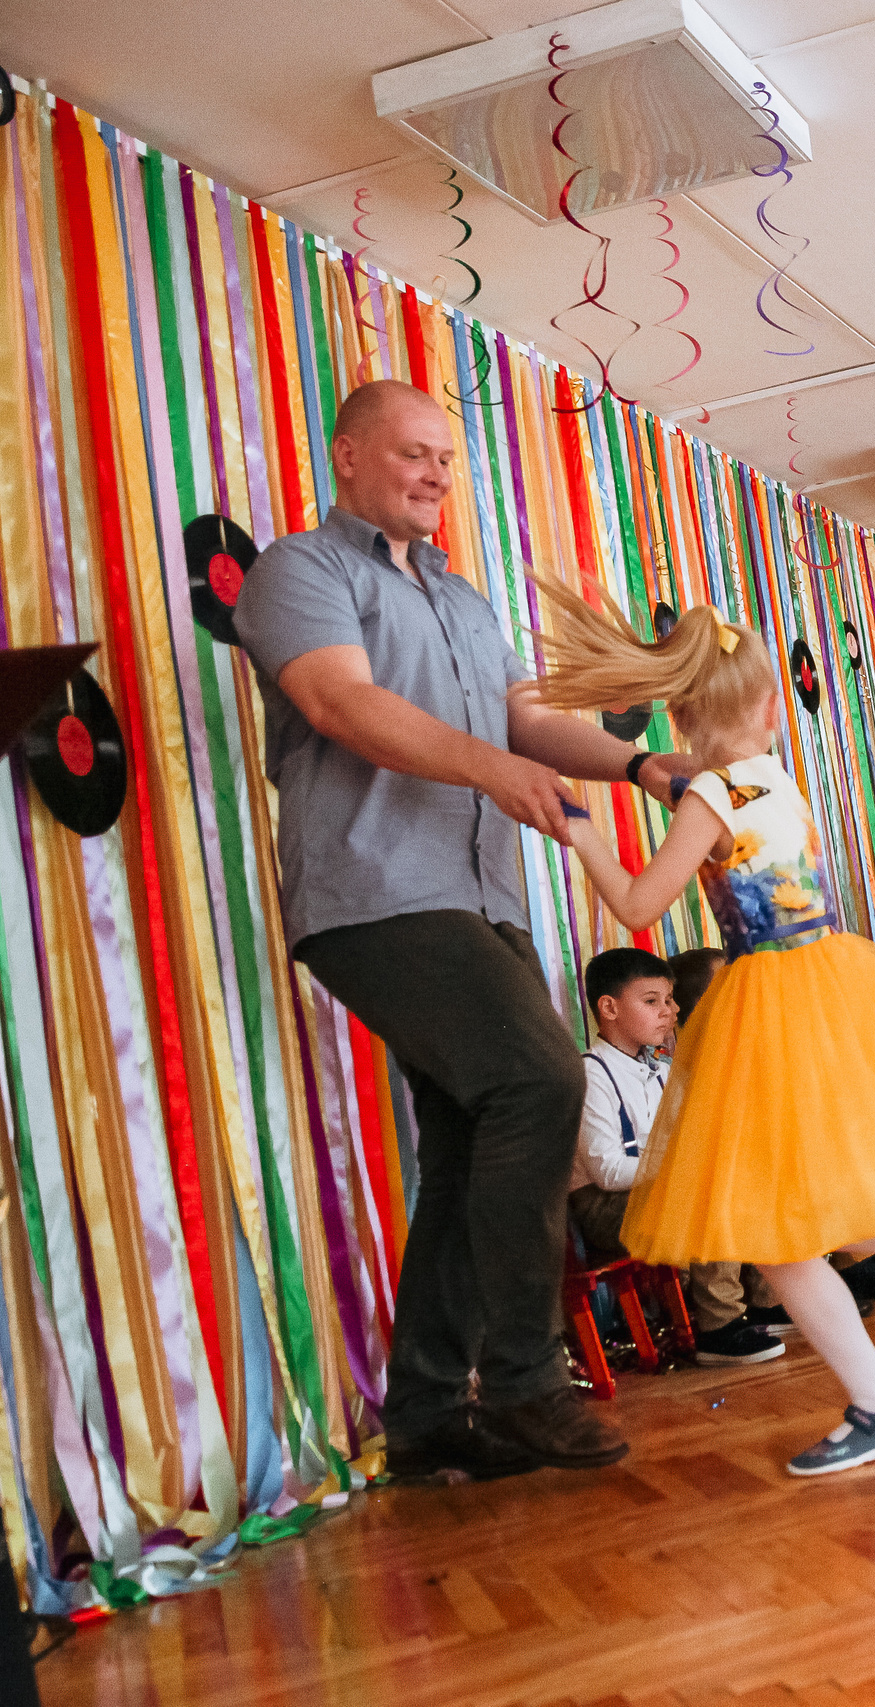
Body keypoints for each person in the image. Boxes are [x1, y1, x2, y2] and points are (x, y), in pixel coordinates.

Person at [232, 380, 698, 1479]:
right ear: (346, 456)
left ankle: (431, 1414)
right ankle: (528, 1383)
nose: (438, 473)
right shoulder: (303, 569)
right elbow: (341, 702)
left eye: (448, 456)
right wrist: (494, 768)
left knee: (464, 1145)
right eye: (413, 453)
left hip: (483, 898)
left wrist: (640, 765)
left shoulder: (465, 598)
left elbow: (523, 721)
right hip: (373, 893)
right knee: (540, 1084)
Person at [535, 584, 875, 1476]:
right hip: (828, 981)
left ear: (684, 707)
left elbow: (635, 903)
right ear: (771, 703)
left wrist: (580, 829)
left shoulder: (709, 789)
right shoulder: (773, 776)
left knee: (783, 1230)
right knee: (821, 1213)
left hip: (771, 1006)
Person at [567, 948, 787, 1366]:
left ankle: (764, 1302)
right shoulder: (591, 1073)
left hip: (654, 1189)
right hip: (605, 1207)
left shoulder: (661, 1068)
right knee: (706, 1193)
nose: (668, 1011)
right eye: (651, 1001)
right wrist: (685, 1168)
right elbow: (608, 1170)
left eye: (669, 1000)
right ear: (609, 1008)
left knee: (751, 1176)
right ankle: (719, 1327)